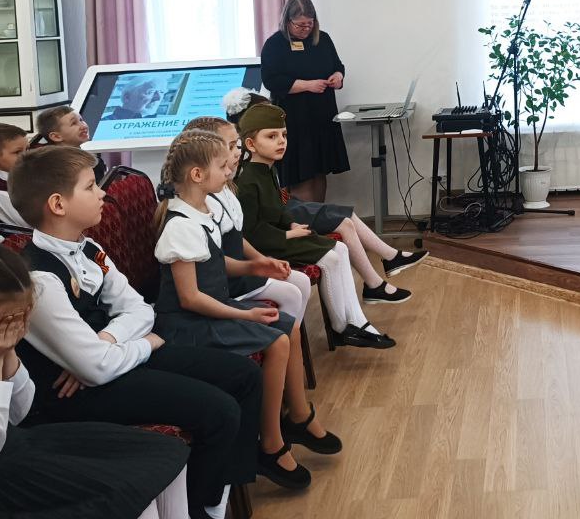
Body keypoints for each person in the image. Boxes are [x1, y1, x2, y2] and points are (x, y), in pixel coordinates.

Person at [10, 145, 265, 519]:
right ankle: (201, 508)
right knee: (219, 410)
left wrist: (108, 339)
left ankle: (218, 494)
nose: (102, 194)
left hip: (114, 360)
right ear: (58, 205)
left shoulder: (89, 247)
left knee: (244, 375)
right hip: (74, 395)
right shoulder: (40, 279)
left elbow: (140, 309)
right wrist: (142, 344)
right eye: (90, 187)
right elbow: (95, 369)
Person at [0, 218, 192, 519]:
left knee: (166, 456)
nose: (7, 331)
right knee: (127, 490)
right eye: (1, 323)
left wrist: (7, 353)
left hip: (18, 444)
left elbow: (20, 410)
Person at [152, 130, 340, 490]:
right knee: (277, 340)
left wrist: (255, 265)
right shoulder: (179, 226)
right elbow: (190, 298)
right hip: (189, 325)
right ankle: (270, 443)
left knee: (287, 326)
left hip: (210, 310)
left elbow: (214, 262)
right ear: (197, 174)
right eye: (223, 166)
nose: (229, 172)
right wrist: (245, 314)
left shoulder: (201, 210)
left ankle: (293, 418)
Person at [234, 102, 407, 341]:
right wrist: (287, 234)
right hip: (268, 244)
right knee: (330, 259)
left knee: (341, 248)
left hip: (280, 235)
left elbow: (278, 207)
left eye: (284, 135)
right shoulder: (248, 181)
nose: (281, 141)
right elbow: (250, 232)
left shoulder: (268, 170)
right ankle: (341, 328)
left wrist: (291, 224)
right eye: (271, 136)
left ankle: (358, 321)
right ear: (251, 144)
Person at [182, 116, 313, 324]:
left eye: (237, 145)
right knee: (291, 294)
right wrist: (255, 265)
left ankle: (289, 336)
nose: (238, 152)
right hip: (226, 281)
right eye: (231, 146)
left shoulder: (226, 189)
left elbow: (237, 236)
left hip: (238, 269)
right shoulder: (204, 199)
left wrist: (261, 260)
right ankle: (283, 335)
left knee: (301, 282)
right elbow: (215, 258)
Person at [259, 0, 349, 204]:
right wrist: (307, 85)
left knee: (320, 173)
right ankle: (305, 221)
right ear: (287, 21)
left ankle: (319, 220)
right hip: (295, 119)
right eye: (300, 25)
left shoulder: (322, 39)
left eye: (310, 24)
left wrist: (338, 77)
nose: (305, 29)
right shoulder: (275, 44)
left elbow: (338, 66)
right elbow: (271, 80)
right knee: (302, 175)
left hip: (323, 116)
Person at [31, 105, 107, 183]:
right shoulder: (64, 168)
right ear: (56, 136)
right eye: (73, 123)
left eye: (81, 120)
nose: (83, 126)